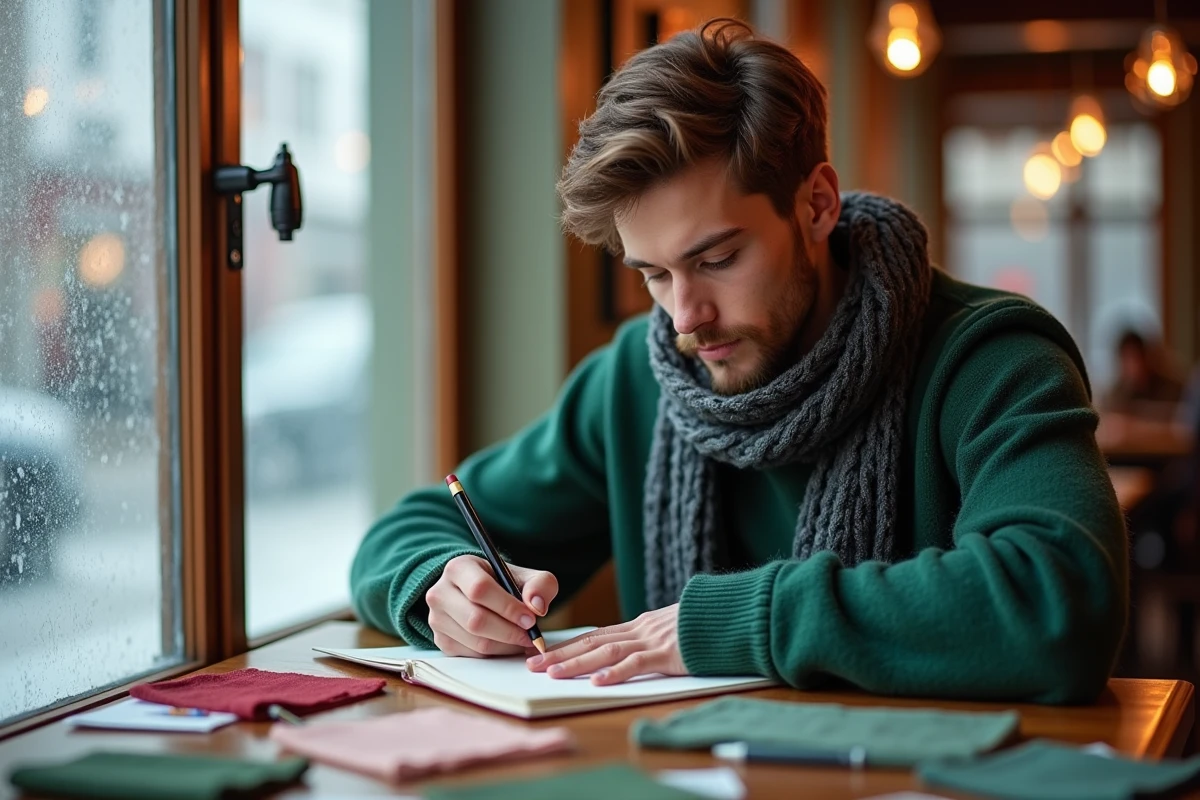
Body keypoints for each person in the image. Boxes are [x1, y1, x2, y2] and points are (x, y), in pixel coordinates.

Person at [351, 19, 1127, 704]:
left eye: (716, 259)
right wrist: (442, 586)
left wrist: (737, 621)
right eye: (654, 274)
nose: (684, 317)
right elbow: (409, 529)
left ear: (816, 204)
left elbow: (1061, 601)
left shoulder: (989, 357)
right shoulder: (635, 382)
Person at [1101, 329, 1184, 419]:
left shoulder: (1170, 390)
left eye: (1134, 358)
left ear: (1145, 358)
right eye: (1126, 360)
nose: (1131, 366)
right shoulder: (1118, 393)